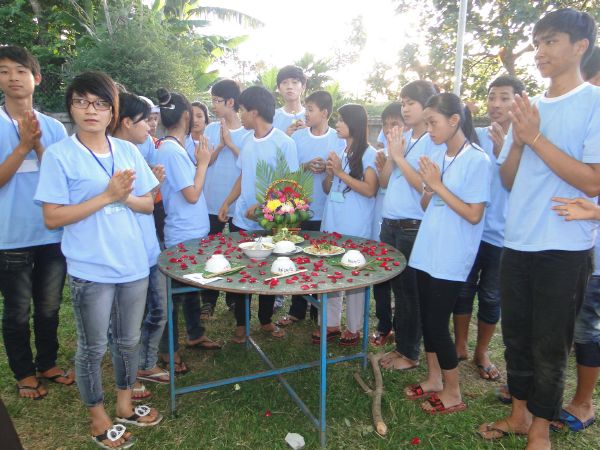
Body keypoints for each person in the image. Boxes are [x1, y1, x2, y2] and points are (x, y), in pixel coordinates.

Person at [477, 9, 600, 449]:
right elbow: (510, 179)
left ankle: (541, 430)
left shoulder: (593, 102)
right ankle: (518, 414)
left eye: (551, 41)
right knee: (516, 337)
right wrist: (515, 141)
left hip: (563, 247)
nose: (540, 51)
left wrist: (534, 138)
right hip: (518, 241)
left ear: (580, 46)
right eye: (537, 43)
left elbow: (593, 181)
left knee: (551, 344)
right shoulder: (529, 108)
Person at [35, 71, 162, 448]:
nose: (91, 110)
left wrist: (123, 197)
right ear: (71, 107)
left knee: (128, 340)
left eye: (101, 103)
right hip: (91, 268)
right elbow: (52, 217)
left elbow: (147, 203)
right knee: (93, 347)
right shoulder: (60, 155)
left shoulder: (127, 150)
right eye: (82, 102)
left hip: (133, 263)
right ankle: (97, 417)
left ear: (112, 111)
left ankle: (124, 404)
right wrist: (107, 196)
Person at [407, 92, 491, 415]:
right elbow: (426, 204)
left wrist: (438, 185)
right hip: (428, 248)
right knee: (427, 317)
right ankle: (433, 378)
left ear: (455, 120)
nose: (429, 130)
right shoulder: (440, 156)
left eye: (433, 123)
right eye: (426, 123)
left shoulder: (477, 160)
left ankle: (453, 391)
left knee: (437, 322)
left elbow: (474, 214)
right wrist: (430, 188)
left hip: (452, 254)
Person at [0, 45, 73, 400]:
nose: (12, 78)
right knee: (17, 310)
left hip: (51, 232)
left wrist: (40, 146)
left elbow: (64, 181)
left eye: (20, 70)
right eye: (4, 71)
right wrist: (23, 146)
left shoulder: (55, 128)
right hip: (10, 235)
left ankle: (48, 363)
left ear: (37, 78)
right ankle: (24, 373)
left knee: (49, 306)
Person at [542, 46, 600, 434]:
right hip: (571, 245)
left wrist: (595, 212)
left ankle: (582, 402)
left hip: (589, 252)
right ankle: (541, 394)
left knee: (584, 329)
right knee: (555, 326)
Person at [452, 75, 524, 381]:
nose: (496, 104)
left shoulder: (526, 139)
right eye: (492, 96)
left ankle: (481, 351)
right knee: (463, 288)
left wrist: (506, 151)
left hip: (504, 235)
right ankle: (459, 346)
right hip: (470, 229)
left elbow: (526, 185)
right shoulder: (476, 136)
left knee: (492, 296)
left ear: (518, 101)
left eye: (504, 97)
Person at [218, 85, 299, 343]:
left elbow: (290, 188)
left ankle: (265, 320)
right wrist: (227, 202)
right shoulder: (246, 140)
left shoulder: (284, 143)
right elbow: (243, 175)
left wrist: (265, 208)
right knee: (241, 271)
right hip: (241, 221)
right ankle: (241, 324)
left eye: (242, 110)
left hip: (270, 224)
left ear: (254, 112)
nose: (240, 115)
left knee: (268, 272)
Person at [374, 81, 440, 370]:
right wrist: (392, 155)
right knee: (397, 290)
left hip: (412, 225)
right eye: (402, 103)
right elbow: (385, 181)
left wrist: (399, 157)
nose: (405, 108)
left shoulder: (432, 141)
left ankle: (410, 353)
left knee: (408, 291)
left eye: (410, 103)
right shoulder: (404, 138)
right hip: (390, 222)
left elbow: (426, 186)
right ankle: (402, 346)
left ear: (427, 106)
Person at [154, 88, 221, 375]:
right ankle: (168, 351)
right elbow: (192, 194)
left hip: (191, 233)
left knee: (192, 287)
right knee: (173, 297)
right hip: (181, 235)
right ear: (184, 117)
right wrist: (203, 163)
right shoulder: (171, 150)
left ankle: (195, 333)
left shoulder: (175, 148)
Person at [112, 92, 169, 401]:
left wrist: (154, 184)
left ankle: (146, 364)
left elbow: (148, 201)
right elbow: (128, 202)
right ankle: (128, 377)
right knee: (125, 323)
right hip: (125, 251)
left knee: (159, 310)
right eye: (145, 120)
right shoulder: (108, 155)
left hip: (149, 247)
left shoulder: (134, 152)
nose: (150, 126)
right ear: (126, 122)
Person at [276, 90, 345, 329]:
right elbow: (285, 172)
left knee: (321, 259)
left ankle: (319, 311)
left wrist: (328, 169)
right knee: (298, 257)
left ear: (324, 113)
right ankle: (297, 309)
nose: (306, 113)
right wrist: (305, 166)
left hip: (327, 210)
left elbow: (343, 171)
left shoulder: (338, 139)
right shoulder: (297, 138)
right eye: (306, 108)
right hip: (299, 209)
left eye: (311, 109)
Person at [319, 104, 379, 346]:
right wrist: (330, 173)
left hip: (355, 225)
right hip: (333, 221)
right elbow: (328, 189)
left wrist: (340, 173)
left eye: (342, 120)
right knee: (330, 272)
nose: (337, 124)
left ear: (354, 123)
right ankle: (331, 323)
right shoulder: (340, 151)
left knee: (354, 276)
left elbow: (370, 189)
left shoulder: (370, 154)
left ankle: (354, 328)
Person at [200, 79, 249, 318]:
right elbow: (205, 161)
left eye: (217, 101)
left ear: (231, 102)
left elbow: (250, 164)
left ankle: (234, 299)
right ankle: (208, 300)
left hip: (238, 204)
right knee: (212, 251)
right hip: (212, 202)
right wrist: (220, 145)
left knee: (237, 252)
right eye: (212, 100)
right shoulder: (210, 129)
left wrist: (231, 144)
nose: (214, 105)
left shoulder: (248, 131)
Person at [372, 102, 404, 243]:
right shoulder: (381, 153)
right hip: (386, 215)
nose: (388, 129)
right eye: (385, 124)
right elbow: (383, 183)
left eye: (394, 124)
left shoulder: (413, 148)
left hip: (407, 223)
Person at [273, 65, 307, 136]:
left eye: (294, 82)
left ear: (303, 87)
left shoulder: (312, 116)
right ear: (279, 88)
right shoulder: (272, 117)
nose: (289, 87)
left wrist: (309, 132)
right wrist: (285, 137)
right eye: (284, 82)